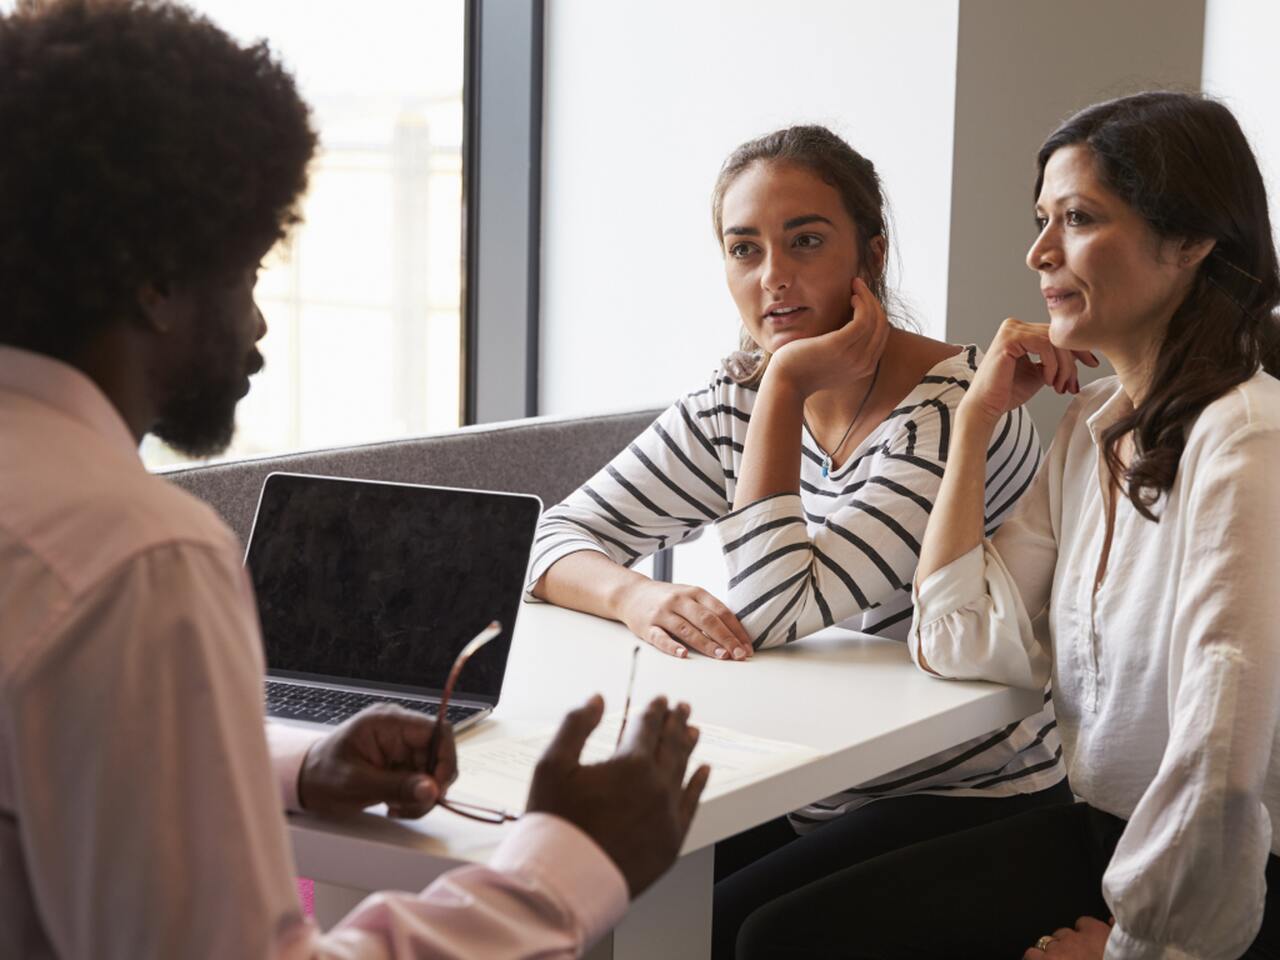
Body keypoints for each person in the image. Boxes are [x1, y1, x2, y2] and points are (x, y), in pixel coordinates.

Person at [0, 2, 708, 958]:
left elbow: (56, 771)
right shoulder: (133, 557)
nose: (256, 327)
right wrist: (566, 865)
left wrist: (291, 767)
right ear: (154, 280)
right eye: (245, 271)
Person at [736, 91, 1280, 960]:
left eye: (1078, 218)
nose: (1038, 252)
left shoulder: (1245, 437)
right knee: (770, 932)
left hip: (1221, 884)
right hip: (1101, 833)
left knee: (784, 944)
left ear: (1190, 242)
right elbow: (957, 638)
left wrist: (1140, 951)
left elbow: (1223, 757)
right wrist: (979, 415)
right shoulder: (1093, 432)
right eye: (1041, 219)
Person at [529, 125, 1071, 958]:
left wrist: (785, 385)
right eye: (743, 250)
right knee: (596, 904)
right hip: (813, 783)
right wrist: (637, 594)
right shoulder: (731, 402)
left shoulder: (955, 411)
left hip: (972, 792)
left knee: (739, 937)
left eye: (805, 241)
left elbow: (782, 609)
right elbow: (553, 539)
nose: (772, 277)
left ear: (872, 255)